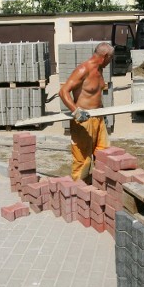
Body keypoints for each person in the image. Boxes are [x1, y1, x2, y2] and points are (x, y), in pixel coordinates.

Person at [59, 42, 113, 183]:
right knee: (83, 160)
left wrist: (103, 114)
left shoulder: (100, 69)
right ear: (105, 56)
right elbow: (63, 91)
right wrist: (76, 112)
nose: (110, 62)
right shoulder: (83, 70)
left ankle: (99, 186)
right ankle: (79, 191)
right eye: (110, 59)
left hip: (98, 118)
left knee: (103, 153)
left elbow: (96, 95)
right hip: (83, 120)